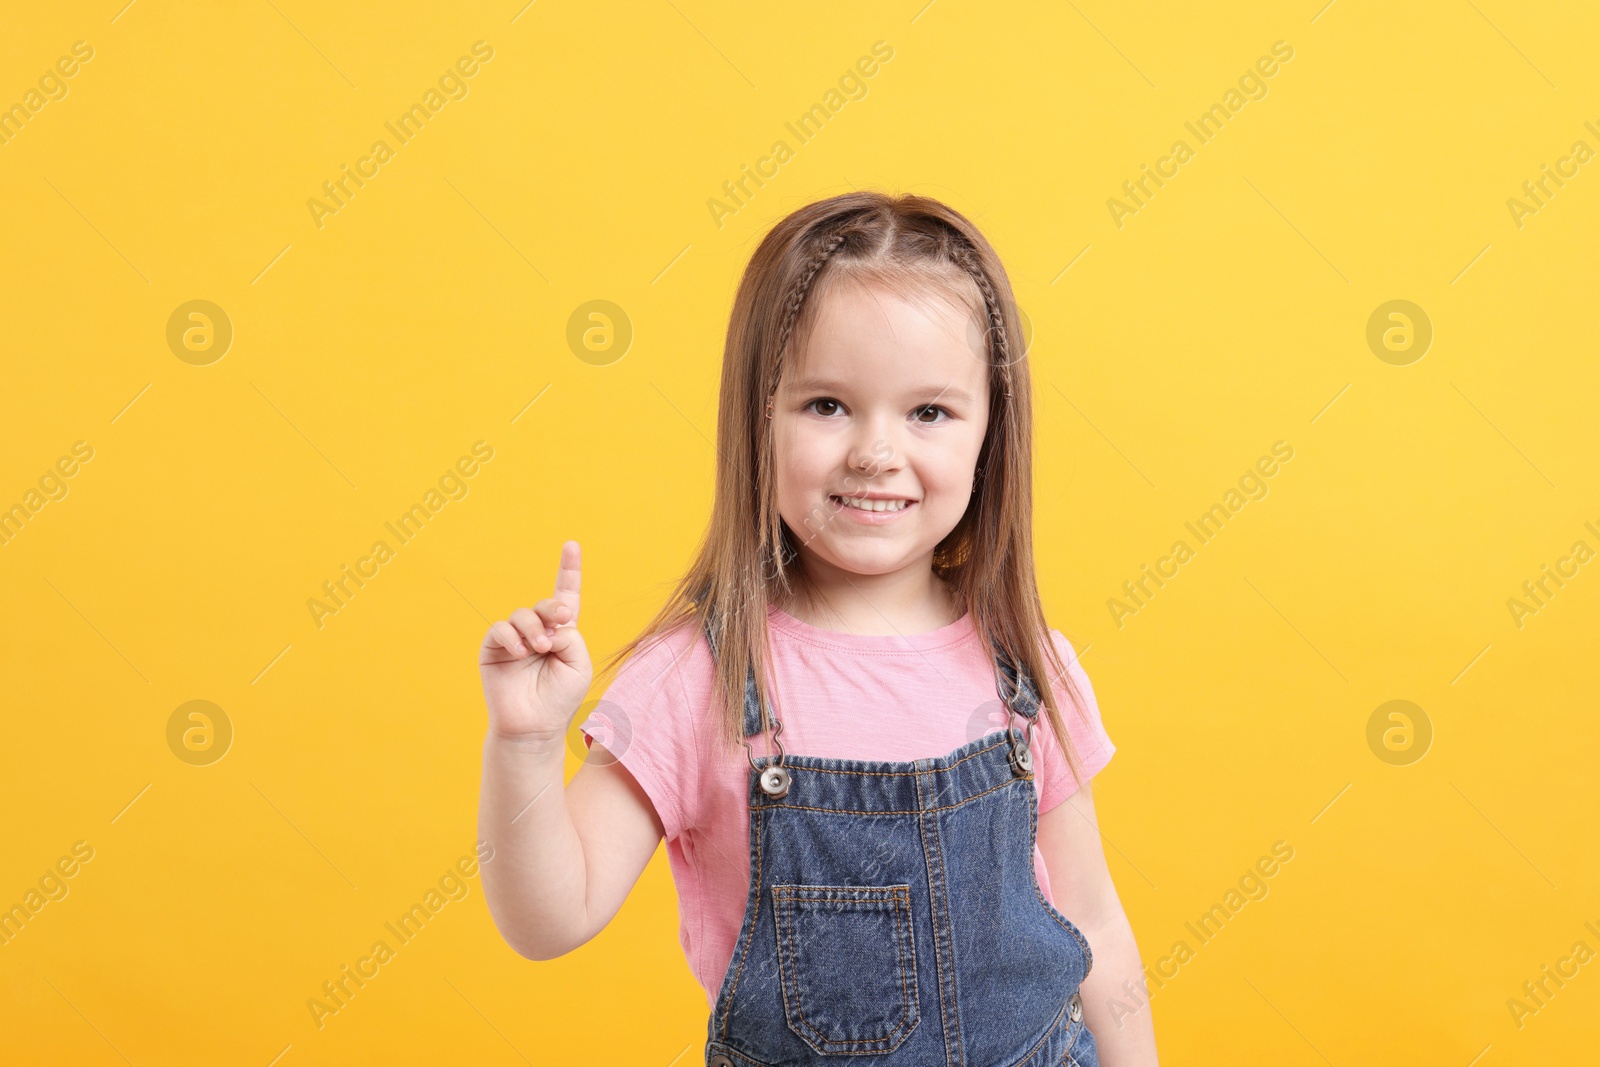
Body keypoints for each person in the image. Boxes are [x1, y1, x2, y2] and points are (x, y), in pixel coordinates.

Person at [476, 190, 1159, 1065]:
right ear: (757, 415)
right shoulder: (697, 678)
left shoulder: (1024, 664)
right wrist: (525, 741)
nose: (876, 451)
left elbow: (1093, 919)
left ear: (992, 431)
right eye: (828, 405)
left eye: (930, 412)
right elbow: (549, 919)